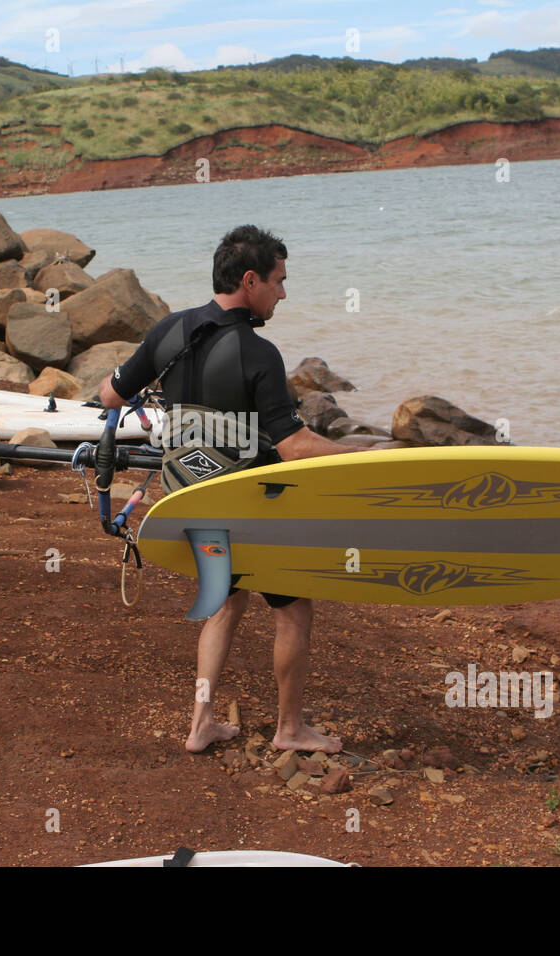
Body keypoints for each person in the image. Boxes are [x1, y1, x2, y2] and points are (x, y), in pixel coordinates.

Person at [98, 225, 357, 754]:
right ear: (250, 281)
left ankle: (201, 723)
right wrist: (369, 457)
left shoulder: (169, 330)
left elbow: (108, 394)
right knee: (292, 610)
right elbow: (294, 449)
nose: (282, 294)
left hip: (189, 499)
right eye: (279, 282)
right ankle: (289, 729)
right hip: (248, 506)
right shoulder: (257, 352)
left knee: (225, 603)